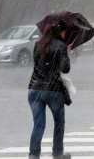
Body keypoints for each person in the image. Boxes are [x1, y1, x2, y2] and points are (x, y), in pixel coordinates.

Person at [28, 19, 72, 159]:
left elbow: (39, 64)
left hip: (34, 89)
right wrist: (66, 52)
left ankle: (34, 155)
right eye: (65, 32)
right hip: (52, 91)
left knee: (39, 125)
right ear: (62, 32)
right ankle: (57, 153)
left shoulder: (38, 44)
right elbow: (65, 68)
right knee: (59, 122)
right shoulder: (60, 46)